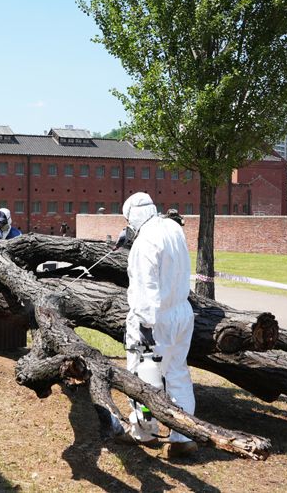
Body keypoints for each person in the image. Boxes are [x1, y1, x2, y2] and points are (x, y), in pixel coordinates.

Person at [121, 192, 197, 459]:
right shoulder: (172, 227)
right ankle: (184, 436)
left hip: (156, 320)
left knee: (141, 378)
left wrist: (144, 326)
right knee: (177, 374)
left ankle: (145, 431)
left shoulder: (144, 243)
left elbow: (145, 287)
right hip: (181, 313)